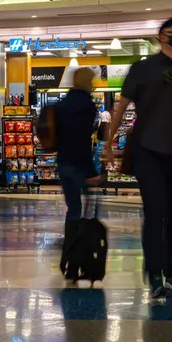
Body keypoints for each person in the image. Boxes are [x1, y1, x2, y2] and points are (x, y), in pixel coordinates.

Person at [104, 17, 172, 301]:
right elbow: (122, 106)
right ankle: (154, 273)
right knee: (155, 212)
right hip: (147, 151)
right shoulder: (142, 69)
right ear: (161, 37)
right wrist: (108, 142)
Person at [55, 68, 103, 230]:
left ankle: (71, 240)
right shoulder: (87, 106)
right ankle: (82, 240)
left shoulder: (62, 105)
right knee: (90, 207)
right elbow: (82, 139)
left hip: (63, 161)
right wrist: (91, 171)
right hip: (80, 164)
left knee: (73, 206)